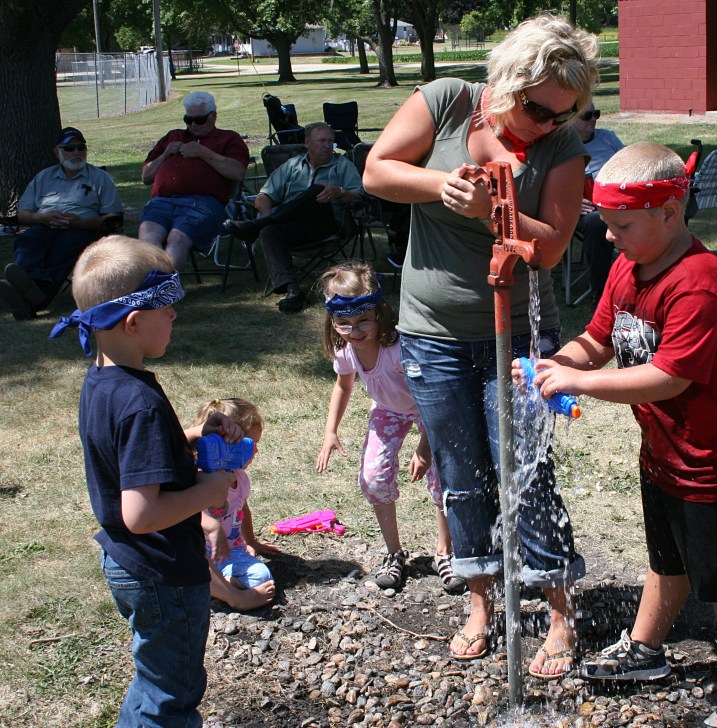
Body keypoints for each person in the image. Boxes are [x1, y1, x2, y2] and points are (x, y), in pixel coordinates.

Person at [362, 14, 597, 679]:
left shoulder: (560, 148)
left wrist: (492, 211)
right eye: (535, 108)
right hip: (432, 335)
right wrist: (443, 185)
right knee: (461, 479)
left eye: (562, 114)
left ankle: (557, 610)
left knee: (527, 470)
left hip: (518, 332)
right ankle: (481, 604)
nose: (545, 123)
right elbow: (377, 172)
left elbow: (549, 245)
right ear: (508, 81)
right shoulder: (446, 103)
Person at [522, 142, 717, 727]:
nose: (608, 237)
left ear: (669, 211)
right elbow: (597, 340)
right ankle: (645, 649)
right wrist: (554, 365)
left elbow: (668, 377)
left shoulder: (699, 282)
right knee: (668, 561)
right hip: (664, 452)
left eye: (620, 225)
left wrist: (580, 385)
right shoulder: (628, 266)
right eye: (606, 224)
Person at [48, 235, 240, 726]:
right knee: (171, 693)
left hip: (131, 564)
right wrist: (208, 491)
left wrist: (193, 437)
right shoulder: (140, 404)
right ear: (134, 323)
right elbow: (140, 514)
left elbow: (131, 457)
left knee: (155, 678)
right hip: (161, 570)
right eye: (168, 310)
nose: (175, 317)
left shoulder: (103, 382)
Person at [314, 262, 464, 595]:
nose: (354, 331)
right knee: (373, 478)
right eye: (343, 324)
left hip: (429, 408)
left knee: (442, 478)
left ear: (380, 313)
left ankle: (445, 553)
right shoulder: (345, 349)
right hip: (388, 410)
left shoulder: (398, 349)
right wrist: (330, 431)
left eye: (362, 321)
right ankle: (394, 553)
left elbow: (435, 398)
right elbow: (343, 386)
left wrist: (424, 449)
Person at [223, 122, 365, 313]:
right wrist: (266, 213)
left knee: (317, 190)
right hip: (293, 227)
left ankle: (255, 226)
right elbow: (264, 196)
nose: (327, 146)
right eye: (322, 141)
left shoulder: (342, 166)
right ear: (307, 142)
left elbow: (360, 196)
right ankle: (292, 290)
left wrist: (339, 192)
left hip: (327, 227)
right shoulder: (292, 166)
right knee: (269, 231)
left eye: (330, 141)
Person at [0, 127, 122, 320]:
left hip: (81, 229)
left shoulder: (100, 178)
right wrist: (41, 218)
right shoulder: (43, 177)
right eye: (69, 148)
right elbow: (22, 215)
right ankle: (33, 292)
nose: (76, 152)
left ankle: (34, 298)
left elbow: (113, 218)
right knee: (28, 241)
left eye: (80, 148)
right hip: (44, 226)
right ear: (57, 152)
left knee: (65, 247)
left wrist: (82, 223)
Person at [139, 91, 250, 272]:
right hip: (162, 201)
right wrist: (165, 154)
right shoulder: (173, 136)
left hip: (202, 204)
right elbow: (146, 177)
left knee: (177, 238)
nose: (192, 125)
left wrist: (202, 152)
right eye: (188, 120)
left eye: (199, 120)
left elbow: (238, 172)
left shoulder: (228, 138)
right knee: (147, 238)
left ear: (213, 117)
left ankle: (165, 291)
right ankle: (156, 287)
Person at [194, 398, 280, 611]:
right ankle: (222, 587)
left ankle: (222, 584)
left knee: (263, 577)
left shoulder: (239, 479)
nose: (256, 452)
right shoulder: (197, 477)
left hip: (231, 550)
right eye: (250, 446)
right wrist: (211, 526)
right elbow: (186, 513)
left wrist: (252, 541)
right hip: (199, 553)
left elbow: (242, 509)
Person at [574, 102, 625, 300]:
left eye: (596, 113)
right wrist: (569, 202)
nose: (594, 118)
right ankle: (603, 293)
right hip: (582, 209)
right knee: (596, 222)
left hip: (618, 203)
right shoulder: (559, 144)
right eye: (587, 115)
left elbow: (631, 165)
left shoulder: (608, 138)